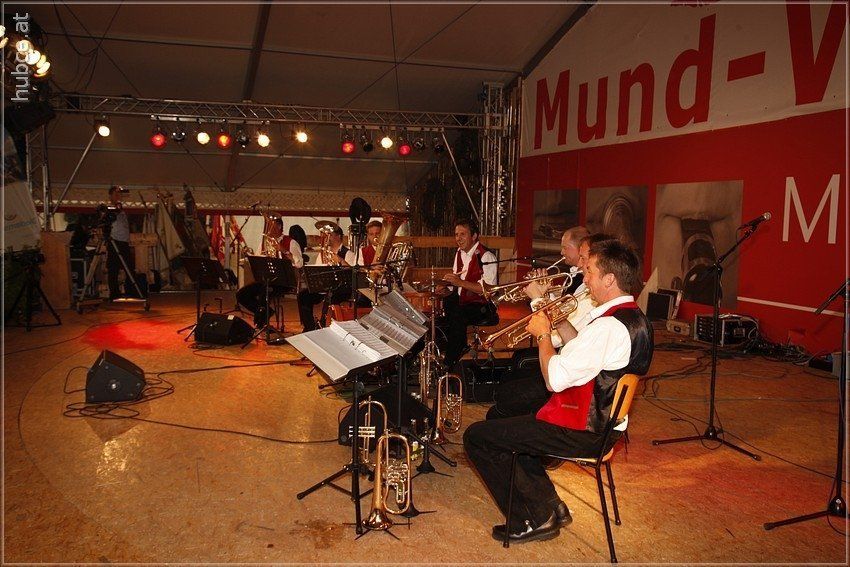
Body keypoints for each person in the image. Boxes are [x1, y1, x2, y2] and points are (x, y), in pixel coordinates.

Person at [463, 239, 653, 544]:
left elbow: (554, 379)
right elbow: (582, 351)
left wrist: (542, 335)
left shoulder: (607, 327)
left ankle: (531, 519)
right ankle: (550, 506)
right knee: (515, 423)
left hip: (585, 430)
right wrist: (558, 320)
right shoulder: (633, 318)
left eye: (590, 272)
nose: (585, 278)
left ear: (609, 279)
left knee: (478, 437)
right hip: (603, 424)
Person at [486, 231, 613, 420]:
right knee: (508, 382)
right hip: (562, 364)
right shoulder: (583, 288)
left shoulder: (595, 300)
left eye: (584, 260)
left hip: (567, 376)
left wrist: (538, 299)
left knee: (503, 398)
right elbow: (563, 320)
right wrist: (545, 295)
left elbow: (555, 340)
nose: (579, 265)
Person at [440, 218, 498, 368]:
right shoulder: (459, 253)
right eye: (456, 234)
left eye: (463, 234)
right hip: (462, 300)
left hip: (481, 305)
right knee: (441, 311)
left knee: (457, 315)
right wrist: (445, 288)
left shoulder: (486, 256)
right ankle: (451, 348)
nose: (458, 238)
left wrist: (460, 283)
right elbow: (457, 282)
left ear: (474, 236)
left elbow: (488, 290)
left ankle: (450, 360)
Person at [297, 225, 351, 331]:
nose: (327, 238)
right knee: (303, 296)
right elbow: (318, 270)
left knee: (330, 297)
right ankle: (310, 327)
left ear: (339, 236)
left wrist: (340, 260)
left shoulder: (348, 253)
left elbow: (351, 273)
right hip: (324, 287)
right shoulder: (323, 253)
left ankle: (323, 325)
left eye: (330, 235)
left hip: (340, 289)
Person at [105, 185, 132, 300]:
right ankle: (114, 293)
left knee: (129, 267)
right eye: (115, 194)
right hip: (114, 241)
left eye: (119, 194)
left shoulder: (121, 209)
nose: (118, 196)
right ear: (110, 196)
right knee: (113, 268)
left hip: (124, 242)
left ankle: (130, 290)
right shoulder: (109, 209)